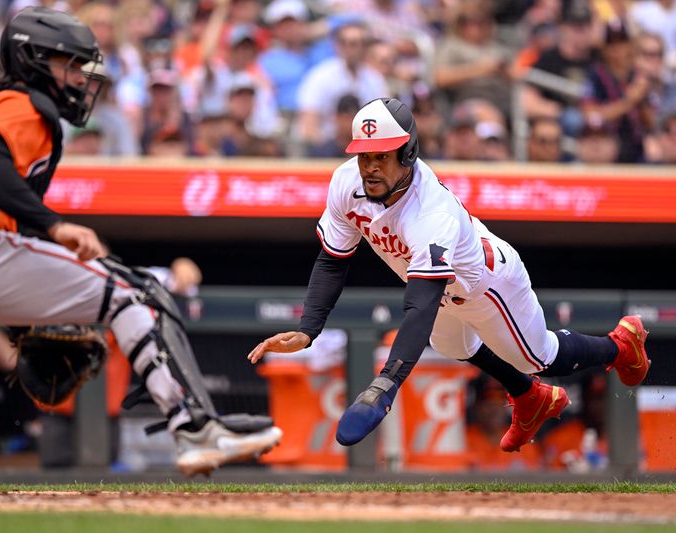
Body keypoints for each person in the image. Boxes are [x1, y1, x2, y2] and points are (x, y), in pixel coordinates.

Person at [0, 6, 280, 476]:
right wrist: (55, 225)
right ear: (32, 61)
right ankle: (197, 429)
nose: (77, 78)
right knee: (136, 294)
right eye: (67, 64)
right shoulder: (22, 102)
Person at [248, 97, 650, 454]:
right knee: (453, 343)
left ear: (407, 153)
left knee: (538, 356)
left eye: (382, 156)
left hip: (487, 284)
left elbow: (419, 305)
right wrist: (309, 328)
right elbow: (334, 258)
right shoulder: (344, 182)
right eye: (364, 156)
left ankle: (620, 345)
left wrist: (384, 386)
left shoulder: (429, 211)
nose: (369, 167)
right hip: (439, 289)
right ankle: (530, 397)